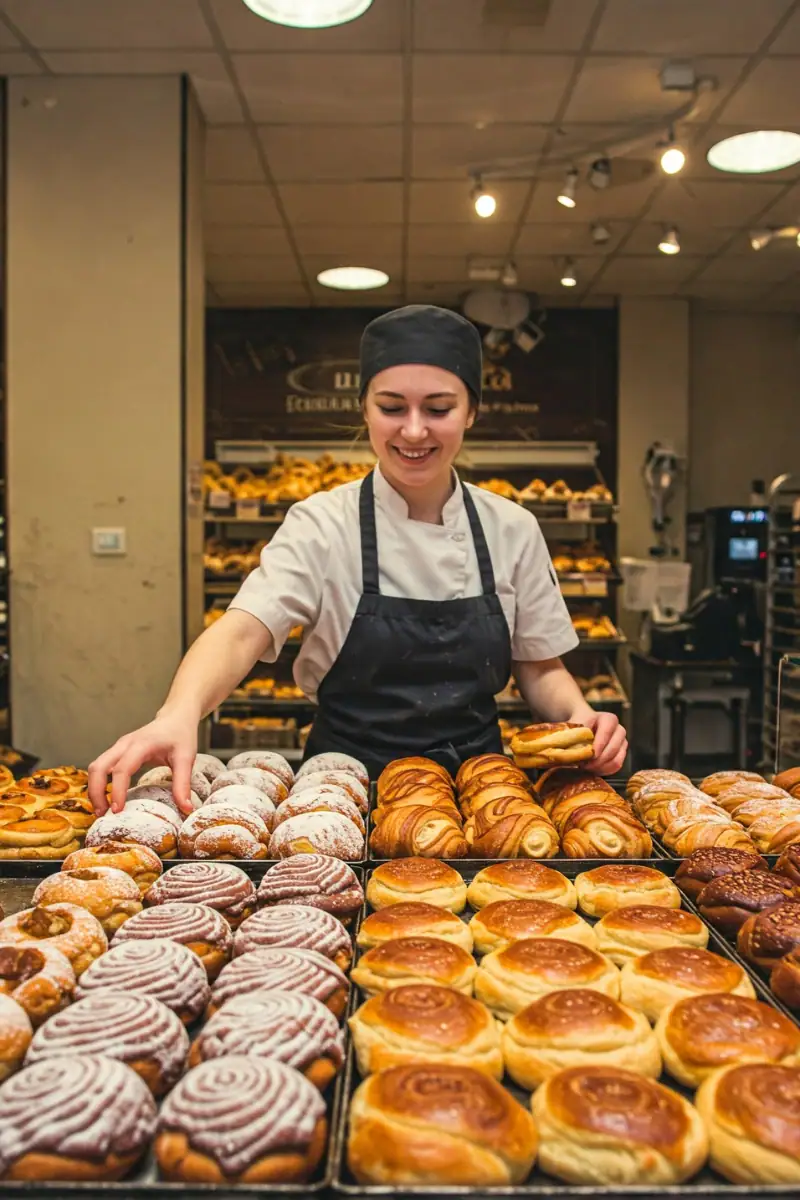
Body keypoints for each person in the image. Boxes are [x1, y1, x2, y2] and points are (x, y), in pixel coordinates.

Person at [89, 305, 627, 814]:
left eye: (438, 409)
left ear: (472, 412)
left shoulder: (513, 528)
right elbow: (242, 630)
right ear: (364, 409)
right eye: (392, 408)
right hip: (341, 791)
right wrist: (178, 712)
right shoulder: (321, 522)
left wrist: (581, 721)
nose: (413, 431)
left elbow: (539, 666)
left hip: (479, 794)